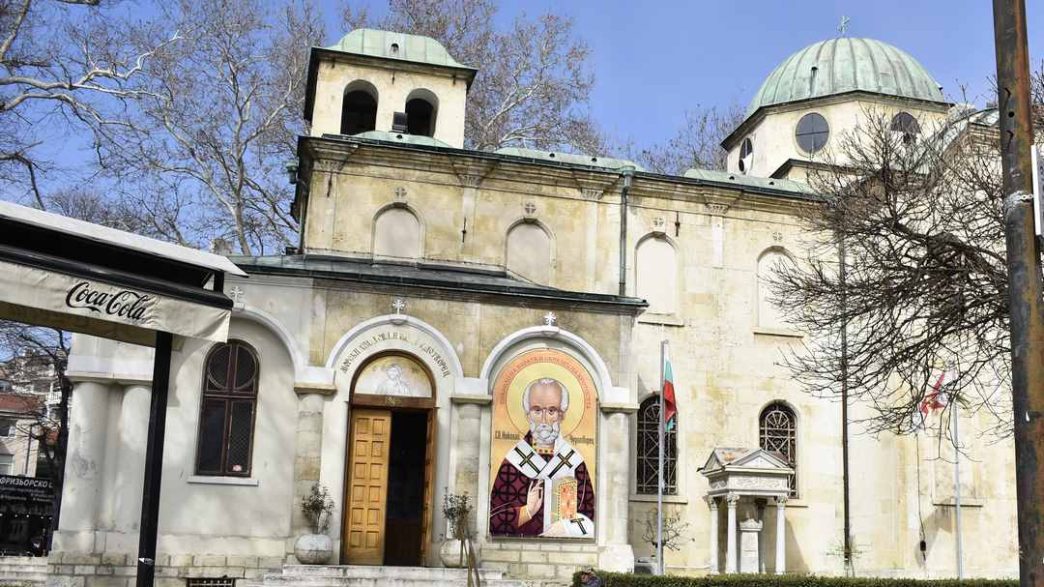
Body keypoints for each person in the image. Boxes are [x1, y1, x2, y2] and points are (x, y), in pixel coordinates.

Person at [489, 377, 594, 537]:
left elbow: (592, 518)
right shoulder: (513, 462)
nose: (544, 419)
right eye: (537, 410)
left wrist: (568, 528)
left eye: (551, 411)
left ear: (561, 415)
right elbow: (491, 521)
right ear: (528, 415)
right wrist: (526, 511)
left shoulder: (575, 462)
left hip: (566, 549)